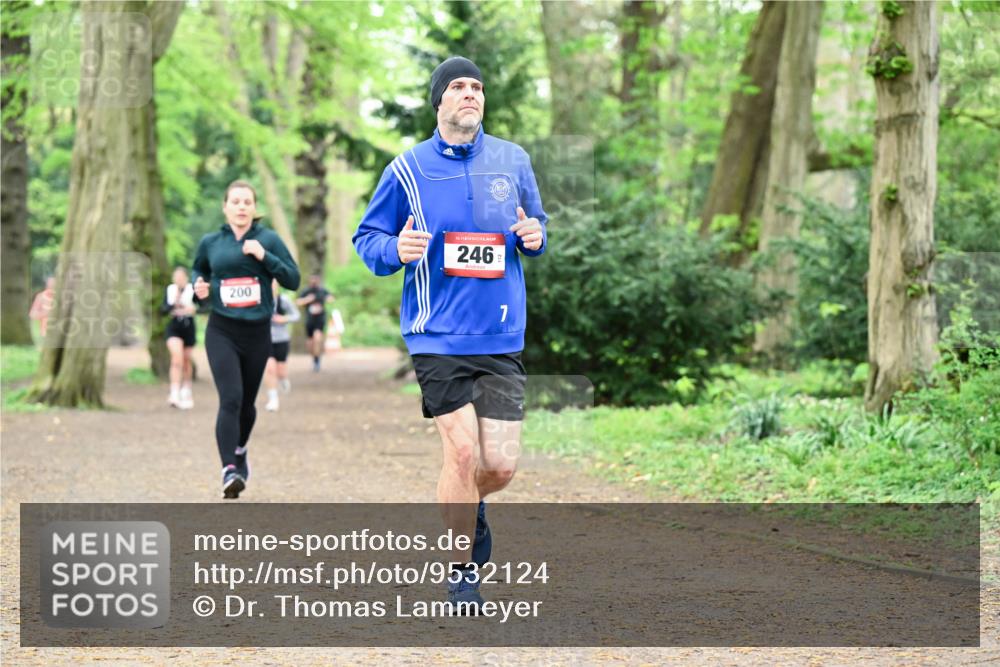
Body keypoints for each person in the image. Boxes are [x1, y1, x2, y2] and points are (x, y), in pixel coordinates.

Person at [353, 56, 547, 611]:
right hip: (435, 335)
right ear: (439, 101)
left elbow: (535, 226)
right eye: (458, 87)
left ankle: (467, 507)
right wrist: (395, 249)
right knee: (462, 454)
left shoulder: (512, 160)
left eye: (477, 87)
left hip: (501, 335)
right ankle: (462, 573)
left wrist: (535, 235)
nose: (469, 95)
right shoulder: (407, 170)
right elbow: (368, 238)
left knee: (499, 467)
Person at [192, 180, 300, 499]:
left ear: (254, 208)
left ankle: (240, 450)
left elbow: (292, 279)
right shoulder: (211, 242)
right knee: (230, 398)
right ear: (225, 207)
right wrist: (199, 290)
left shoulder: (268, 239)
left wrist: (265, 256)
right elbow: (198, 271)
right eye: (235, 202)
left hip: (257, 332)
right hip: (222, 331)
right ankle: (229, 469)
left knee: (247, 405)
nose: (241, 207)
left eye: (247, 202)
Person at [162, 267, 197, 410]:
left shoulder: (192, 290)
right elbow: (163, 309)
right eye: (176, 277)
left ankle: (186, 389)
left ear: (186, 278)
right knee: (177, 358)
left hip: (188, 326)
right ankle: (174, 392)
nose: (178, 280)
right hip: (174, 327)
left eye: (181, 277)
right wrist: (173, 304)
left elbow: (204, 306)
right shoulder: (170, 290)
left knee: (186, 360)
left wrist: (193, 309)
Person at [264, 278, 300, 412]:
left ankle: (284, 380)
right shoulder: (260, 301)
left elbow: (296, 315)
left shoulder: (283, 300)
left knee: (281, 371)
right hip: (265, 340)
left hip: (282, 339)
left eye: (273, 284)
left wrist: (284, 319)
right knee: (269, 369)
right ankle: (273, 399)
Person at [296, 274, 334, 372]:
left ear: (319, 280)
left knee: (317, 339)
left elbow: (331, 298)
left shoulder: (322, 290)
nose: (314, 282)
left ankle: (317, 362)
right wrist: (307, 300)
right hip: (310, 320)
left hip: (320, 319)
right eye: (312, 280)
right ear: (310, 281)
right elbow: (298, 302)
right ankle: (314, 358)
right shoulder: (306, 291)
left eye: (316, 280)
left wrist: (327, 299)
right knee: (310, 343)